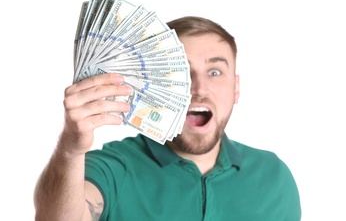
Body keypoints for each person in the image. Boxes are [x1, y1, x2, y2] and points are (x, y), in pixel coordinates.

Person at [34, 16, 301, 220]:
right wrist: (70, 148)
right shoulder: (114, 167)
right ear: (155, 86)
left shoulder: (274, 177)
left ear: (236, 89)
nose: (198, 88)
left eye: (215, 72)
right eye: (182, 72)